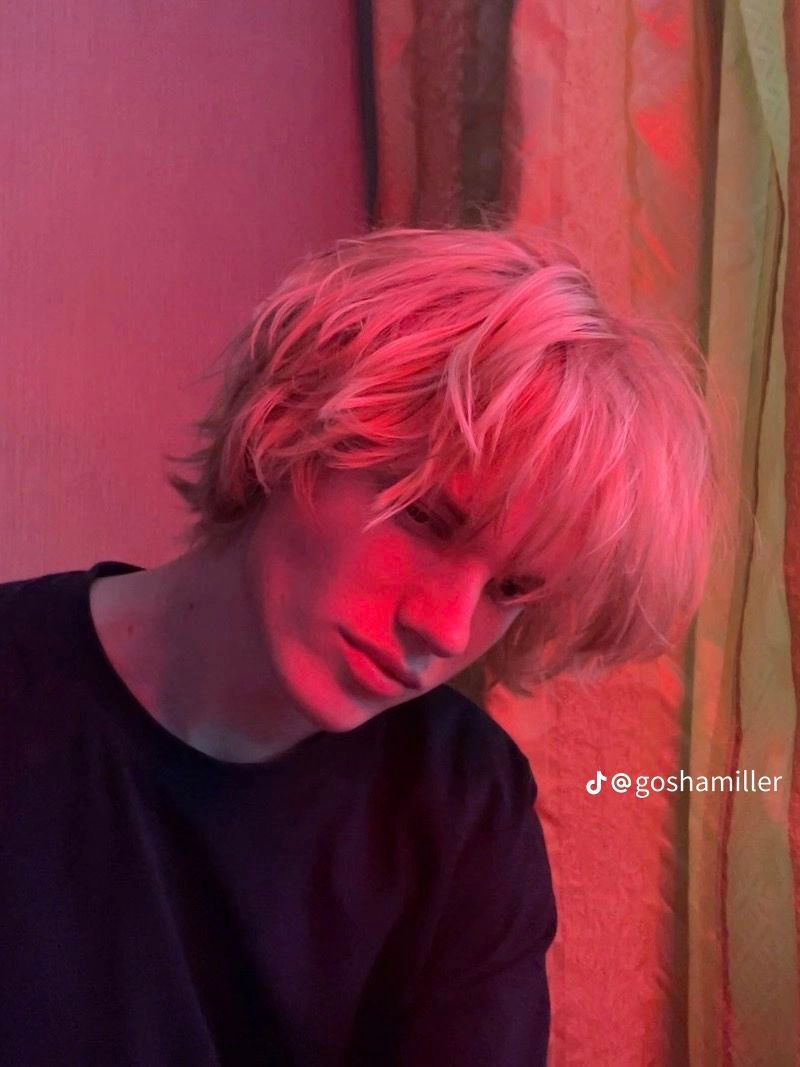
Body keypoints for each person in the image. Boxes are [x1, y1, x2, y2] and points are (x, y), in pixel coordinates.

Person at [0, 227, 720, 1065]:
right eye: (429, 519)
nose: (445, 628)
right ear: (289, 420)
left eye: (510, 588)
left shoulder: (461, 802)